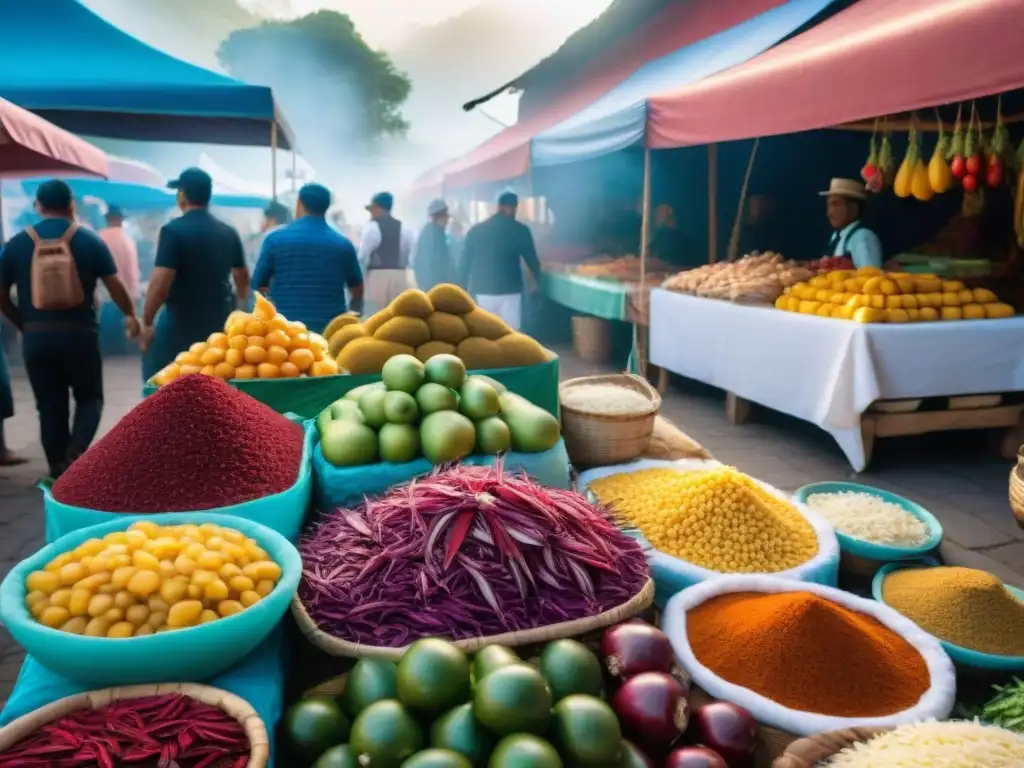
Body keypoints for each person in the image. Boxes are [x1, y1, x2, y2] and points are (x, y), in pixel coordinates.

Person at [0, 180, 139, 478]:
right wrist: (130, 314)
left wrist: (22, 322)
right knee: (90, 398)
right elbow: (115, 286)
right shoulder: (88, 240)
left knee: (50, 406)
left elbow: (0, 294)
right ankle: (75, 455)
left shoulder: (17, 243)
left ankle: (56, 471)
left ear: (38, 206)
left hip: (36, 337)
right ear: (71, 205)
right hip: (79, 334)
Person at [139, 168, 250, 380]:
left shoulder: (173, 231)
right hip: (219, 323)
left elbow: (160, 283)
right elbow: (242, 277)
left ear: (183, 195)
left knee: (163, 382)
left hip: (180, 323)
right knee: (214, 384)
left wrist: (147, 321)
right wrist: (240, 310)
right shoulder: (228, 231)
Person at [252, 183, 364, 335]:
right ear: (327, 207)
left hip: (285, 333)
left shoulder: (275, 239)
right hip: (329, 330)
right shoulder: (343, 244)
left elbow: (258, 285)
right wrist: (354, 314)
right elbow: (357, 289)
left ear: (299, 203)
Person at [460, 191, 542, 331]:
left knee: (486, 333)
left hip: (483, 290)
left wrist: (462, 287)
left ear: (499, 207)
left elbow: (465, 262)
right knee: (510, 333)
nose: (515, 210)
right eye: (514, 207)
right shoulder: (521, 230)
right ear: (508, 207)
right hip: (510, 291)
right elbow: (532, 259)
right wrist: (538, 281)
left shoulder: (476, 230)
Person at [357, 192, 415, 311]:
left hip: (377, 277)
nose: (371, 213)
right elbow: (406, 252)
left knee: (375, 315)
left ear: (379, 208)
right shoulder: (404, 228)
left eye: (372, 209)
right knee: (396, 314)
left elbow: (362, 255)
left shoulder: (372, 228)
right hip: (399, 276)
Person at [820, 178, 883, 269]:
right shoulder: (836, 236)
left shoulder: (862, 237)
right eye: (829, 206)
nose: (830, 212)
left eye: (835, 204)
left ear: (853, 208)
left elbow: (871, 276)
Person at [413, 198, 455, 291]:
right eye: (443, 216)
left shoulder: (439, 233)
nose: (447, 220)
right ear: (436, 217)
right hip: (432, 286)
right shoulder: (431, 234)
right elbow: (426, 263)